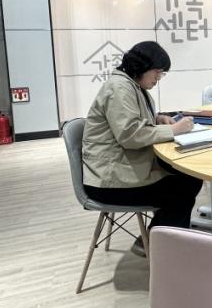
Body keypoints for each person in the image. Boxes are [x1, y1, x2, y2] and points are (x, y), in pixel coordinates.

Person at [82, 41, 203, 257]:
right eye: (157, 72)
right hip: (109, 181)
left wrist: (157, 119)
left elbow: (133, 120)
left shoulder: (131, 85)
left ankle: (158, 238)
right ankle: (162, 247)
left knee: (188, 178)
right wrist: (174, 130)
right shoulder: (120, 88)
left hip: (120, 169)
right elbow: (130, 135)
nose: (159, 78)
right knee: (184, 186)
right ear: (142, 66)